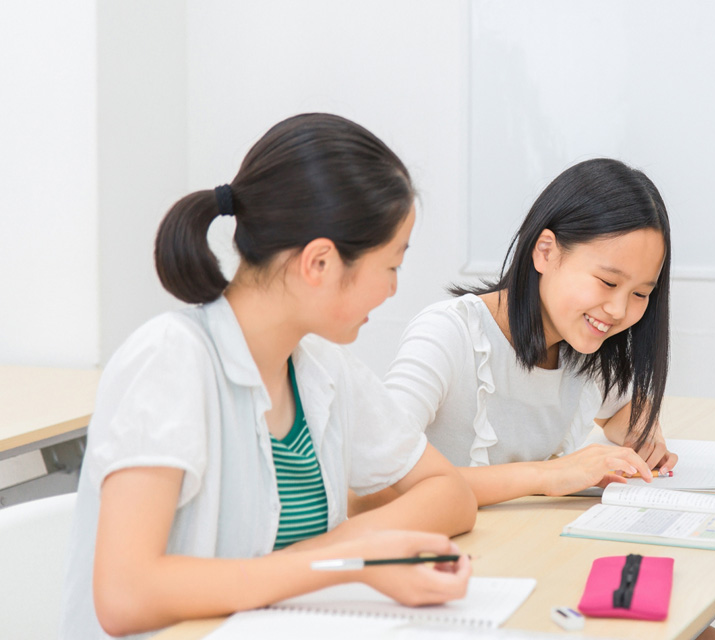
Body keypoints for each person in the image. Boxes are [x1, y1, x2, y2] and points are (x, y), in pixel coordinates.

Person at [62, 113, 477, 640]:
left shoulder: (321, 367)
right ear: (320, 263)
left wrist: (342, 555)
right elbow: (125, 596)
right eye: (391, 266)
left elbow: (450, 493)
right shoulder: (170, 360)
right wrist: (351, 560)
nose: (394, 289)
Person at [379, 158, 676, 507]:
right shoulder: (448, 334)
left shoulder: (581, 345)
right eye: (608, 282)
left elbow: (619, 407)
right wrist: (547, 475)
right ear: (545, 252)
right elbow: (379, 477)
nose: (619, 310)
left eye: (640, 293)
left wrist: (643, 431)